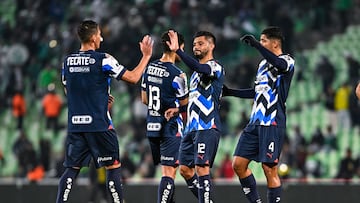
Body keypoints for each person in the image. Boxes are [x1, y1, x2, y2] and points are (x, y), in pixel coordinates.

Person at [56, 20, 153, 203]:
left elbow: (70, 92)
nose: (101, 38)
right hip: (100, 125)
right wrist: (146, 56)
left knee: (71, 170)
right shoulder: (104, 59)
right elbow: (133, 78)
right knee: (113, 167)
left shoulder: (67, 62)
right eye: (99, 34)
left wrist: (98, 98)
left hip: (76, 126)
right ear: (93, 38)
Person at [223, 26, 295, 203]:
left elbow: (279, 64)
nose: (261, 43)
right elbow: (257, 91)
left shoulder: (287, 60)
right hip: (255, 122)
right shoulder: (262, 65)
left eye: (264, 40)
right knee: (238, 165)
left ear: (275, 42)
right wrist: (230, 92)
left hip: (272, 121)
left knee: (269, 169)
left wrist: (256, 45)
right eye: (260, 40)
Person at [167, 30, 224, 203]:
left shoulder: (215, 66)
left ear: (211, 45)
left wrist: (178, 50)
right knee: (185, 169)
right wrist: (177, 110)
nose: (196, 47)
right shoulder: (194, 75)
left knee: (201, 167)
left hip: (207, 126)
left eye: (200, 43)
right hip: (190, 128)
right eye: (194, 44)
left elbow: (200, 67)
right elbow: (195, 97)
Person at [141, 30, 188, 203]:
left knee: (166, 172)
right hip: (170, 127)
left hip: (152, 126)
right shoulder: (178, 75)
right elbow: (185, 105)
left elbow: (144, 99)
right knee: (169, 173)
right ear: (177, 47)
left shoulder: (149, 67)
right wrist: (173, 108)